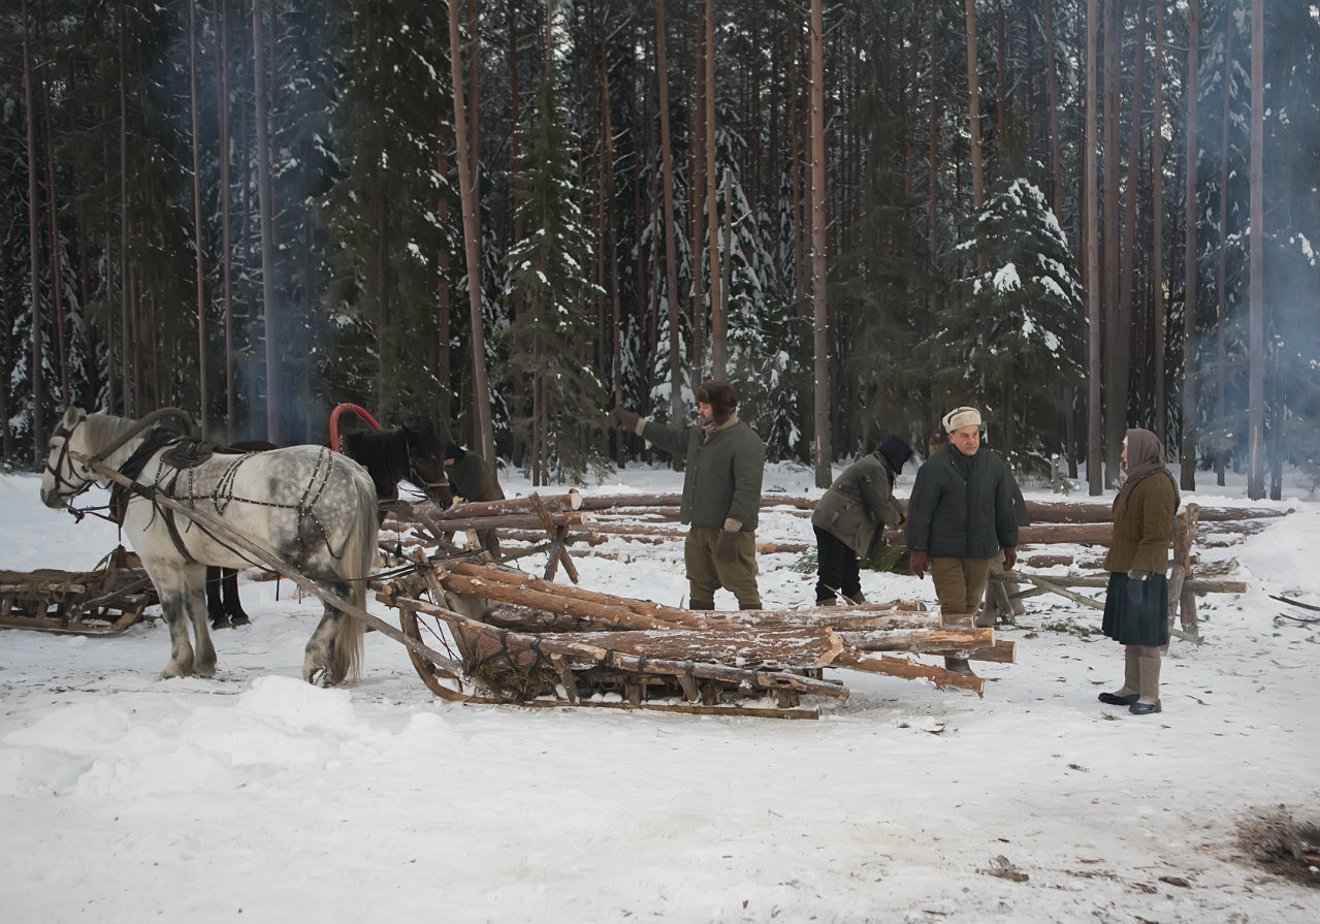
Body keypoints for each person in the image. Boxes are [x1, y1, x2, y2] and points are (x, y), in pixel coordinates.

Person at [608, 380, 766, 610]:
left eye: (706, 406)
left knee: (742, 584)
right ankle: (699, 640)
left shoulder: (745, 442)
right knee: (699, 585)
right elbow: (669, 438)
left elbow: (748, 490)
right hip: (699, 527)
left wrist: (730, 531)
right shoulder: (700, 435)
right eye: (700, 405)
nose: (699, 410)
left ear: (721, 409)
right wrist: (633, 422)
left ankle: (759, 639)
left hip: (731, 532)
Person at [905, 406, 1020, 675]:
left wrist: (1009, 543)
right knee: (954, 604)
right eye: (965, 435)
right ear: (952, 438)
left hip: (980, 549)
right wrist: (918, 550)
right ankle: (956, 661)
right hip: (945, 550)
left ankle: (956, 651)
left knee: (969, 605)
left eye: (975, 435)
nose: (971, 441)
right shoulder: (934, 469)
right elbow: (920, 511)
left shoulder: (993, 466)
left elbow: (1004, 508)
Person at [1098, 428, 1180, 715]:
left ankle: (1150, 695)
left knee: (1147, 635)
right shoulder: (1137, 480)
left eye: (1126, 448)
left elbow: (1156, 535)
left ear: (1142, 450)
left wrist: (1140, 572)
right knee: (1131, 631)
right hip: (1126, 568)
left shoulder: (1158, 484)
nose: (1122, 454)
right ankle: (1132, 688)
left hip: (1144, 572)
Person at [810, 435, 913, 606]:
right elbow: (881, 506)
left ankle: (856, 603)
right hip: (834, 523)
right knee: (831, 570)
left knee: (849, 569)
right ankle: (825, 608)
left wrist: (903, 513)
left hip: (842, 525)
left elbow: (886, 497)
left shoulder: (877, 466)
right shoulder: (874, 469)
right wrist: (900, 520)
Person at [442, 441, 506, 557]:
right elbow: (453, 485)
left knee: (480, 532)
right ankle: (495, 562)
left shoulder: (471, 460)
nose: (444, 464)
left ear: (451, 456)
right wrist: (450, 499)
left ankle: (485, 562)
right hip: (476, 502)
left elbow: (471, 481)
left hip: (490, 500)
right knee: (489, 535)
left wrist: (459, 497)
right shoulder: (452, 466)